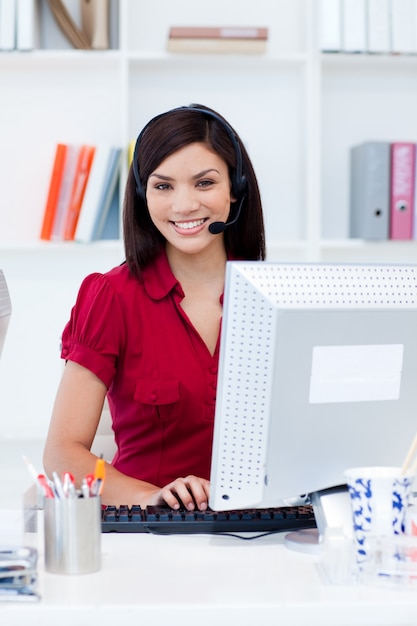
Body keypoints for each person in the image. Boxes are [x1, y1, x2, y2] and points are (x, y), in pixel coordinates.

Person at [43, 104, 266, 511]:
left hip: (261, 525)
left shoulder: (278, 297)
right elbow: (62, 457)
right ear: (144, 195)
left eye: (204, 183)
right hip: (149, 529)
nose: (183, 206)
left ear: (236, 189)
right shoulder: (111, 296)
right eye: (163, 187)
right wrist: (152, 496)